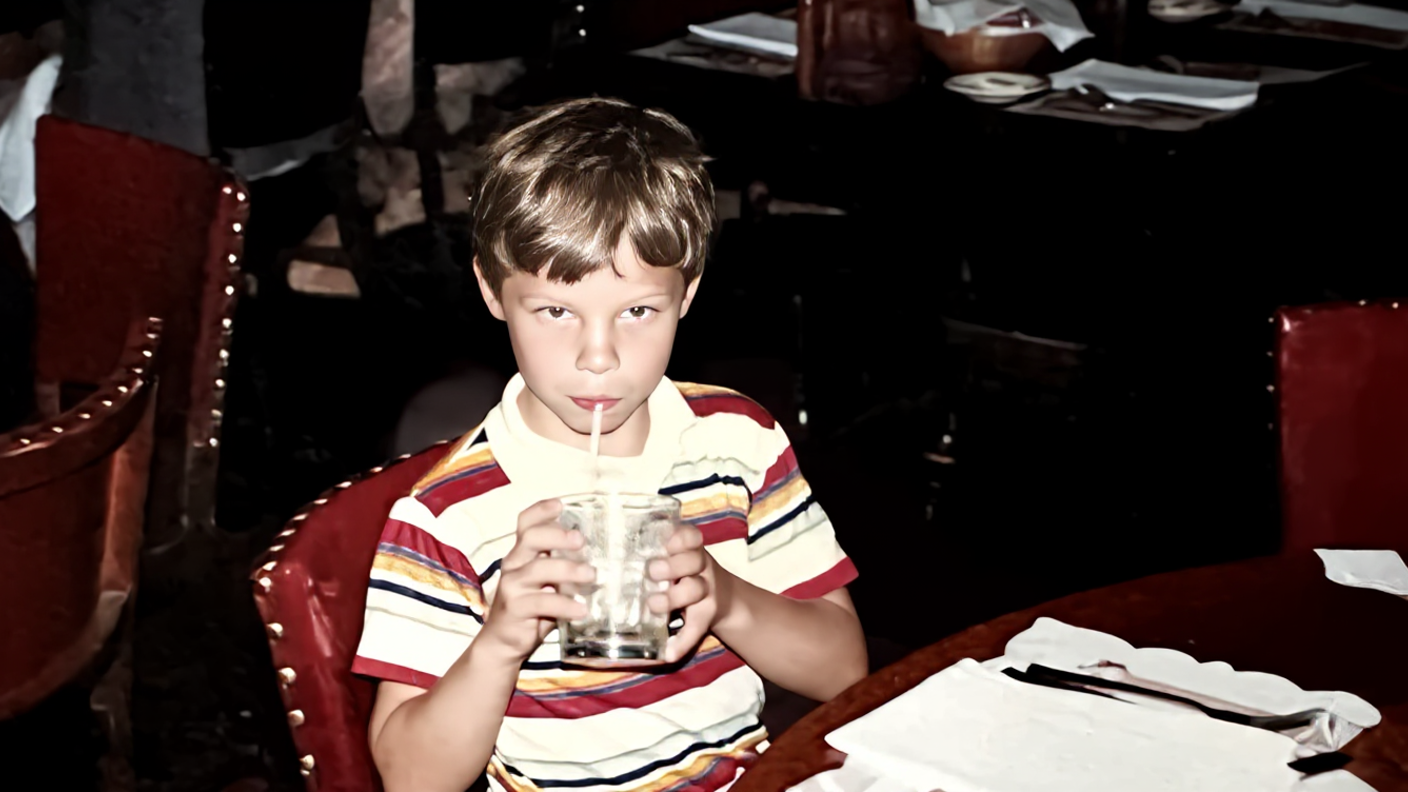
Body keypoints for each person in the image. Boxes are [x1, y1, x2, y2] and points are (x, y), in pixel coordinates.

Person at [352, 97, 867, 792]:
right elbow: (413, 780)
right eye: (556, 311)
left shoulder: (737, 443)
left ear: (686, 294)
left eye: (639, 311)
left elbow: (844, 669)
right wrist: (501, 642)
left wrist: (725, 597)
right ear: (494, 291)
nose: (600, 356)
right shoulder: (446, 516)